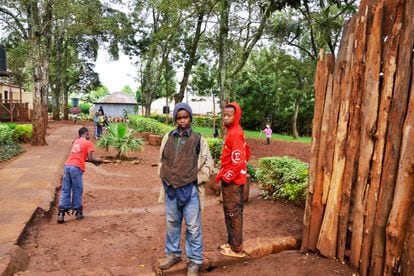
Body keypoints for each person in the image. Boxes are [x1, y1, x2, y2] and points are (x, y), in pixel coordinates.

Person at [157, 103, 214, 276]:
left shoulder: (198, 139)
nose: (182, 121)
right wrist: (163, 175)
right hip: (171, 189)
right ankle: (173, 254)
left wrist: (197, 179)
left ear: (190, 118)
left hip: (190, 190)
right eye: (179, 117)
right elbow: (162, 159)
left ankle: (195, 261)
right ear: (175, 119)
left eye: (185, 117)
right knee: (172, 223)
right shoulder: (168, 137)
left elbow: (208, 164)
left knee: (193, 227)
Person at [215, 102, 250, 258]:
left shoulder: (235, 133)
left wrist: (226, 177)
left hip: (233, 181)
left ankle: (236, 248)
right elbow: (246, 152)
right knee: (230, 211)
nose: (226, 117)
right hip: (232, 178)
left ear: (236, 117)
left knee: (233, 213)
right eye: (225, 115)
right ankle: (232, 242)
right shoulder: (233, 131)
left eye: (230, 115)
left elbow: (238, 160)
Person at [57, 127, 102, 223]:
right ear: (85, 134)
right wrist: (97, 161)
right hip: (76, 168)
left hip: (67, 166)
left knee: (66, 189)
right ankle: (78, 212)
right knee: (77, 189)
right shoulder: (88, 143)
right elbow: (90, 158)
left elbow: (78, 155)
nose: (89, 136)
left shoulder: (76, 141)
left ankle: (61, 213)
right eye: (88, 134)